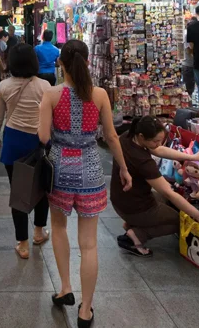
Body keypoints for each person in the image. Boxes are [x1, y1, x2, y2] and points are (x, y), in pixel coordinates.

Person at [38, 40, 131, 327]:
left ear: (61, 64)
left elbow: (43, 137)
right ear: (87, 62)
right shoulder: (100, 95)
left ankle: (65, 288)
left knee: (58, 228)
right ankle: (86, 310)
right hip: (91, 169)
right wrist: (124, 169)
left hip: (60, 171)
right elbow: (112, 137)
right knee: (89, 245)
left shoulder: (50, 95)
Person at [111, 117, 199, 257]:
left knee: (167, 203)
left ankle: (132, 223)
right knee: (179, 221)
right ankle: (135, 236)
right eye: (155, 141)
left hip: (120, 199)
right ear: (142, 136)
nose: (158, 144)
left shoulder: (128, 137)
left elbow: (159, 150)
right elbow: (168, 193)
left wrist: (192, 157)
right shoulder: (144, 162)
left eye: (161, 140)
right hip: (134, 207)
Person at [0, 44, 51, 259]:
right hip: (39, 141)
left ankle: (22, 244)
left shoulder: (4, 86)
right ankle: (38, 232)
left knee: (18, 192)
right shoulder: (44, 86)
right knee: (42, 188)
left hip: (14, 141)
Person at [182, 16, 197, 98]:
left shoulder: (189, 34)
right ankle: (188, 106)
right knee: (189, 89)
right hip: (189, 64)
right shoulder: (188, 35)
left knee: (190, 87)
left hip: (191, 64)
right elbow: (189, 50)